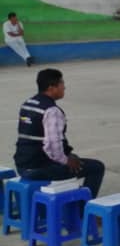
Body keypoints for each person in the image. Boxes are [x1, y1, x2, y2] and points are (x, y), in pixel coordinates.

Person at [14, 68, 105, 196]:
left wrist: (68, 156)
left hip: (22, 165)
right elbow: (53, 147)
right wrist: (67, 161)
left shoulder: (28, 103)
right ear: (51, 88)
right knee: (96, 167)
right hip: (38, 168)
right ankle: (84, 206)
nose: (64, 87)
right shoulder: (52, 111)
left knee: (73, 157)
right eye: (61, 83)